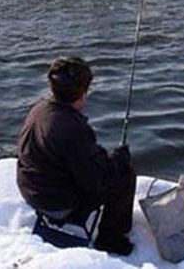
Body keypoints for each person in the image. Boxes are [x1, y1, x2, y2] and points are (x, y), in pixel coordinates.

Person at [17, 57, 136, 256]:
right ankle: (111, 239)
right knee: (125, 175)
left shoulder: (39, 110)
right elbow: (94, 182)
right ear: (83, 93)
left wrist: (101, 159)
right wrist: (119, 160)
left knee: (106, 163)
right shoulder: (74, 129)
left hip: (30, 191)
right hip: (57, 204)